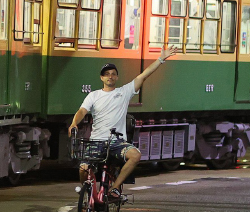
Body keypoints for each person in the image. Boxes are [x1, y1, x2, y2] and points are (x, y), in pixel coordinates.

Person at [68, 45, 178, 200]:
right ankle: (87, 193)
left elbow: (143, 76)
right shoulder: (93, 95)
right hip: (97, 141)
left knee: (135, 156)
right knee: (83, 168)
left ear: (117, 78)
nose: (110, 77)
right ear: (102, 78)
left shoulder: (124, 92)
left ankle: (114, 189)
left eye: (113, 74)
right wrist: (74, 123)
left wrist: (160, 59)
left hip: (117, 142)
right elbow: (82, 111)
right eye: (107, 74)